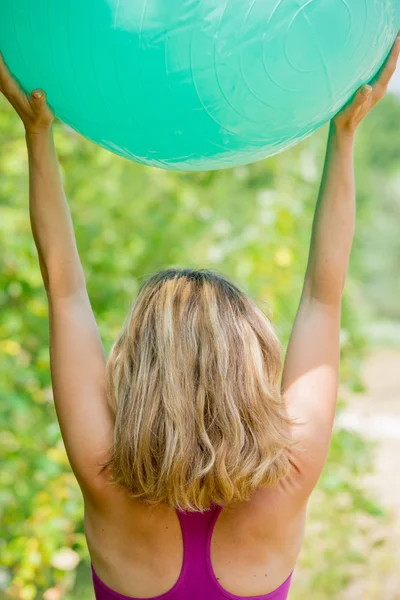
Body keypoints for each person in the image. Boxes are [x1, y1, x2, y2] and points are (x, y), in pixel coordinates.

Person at [0, 37, 399, 600]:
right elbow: (322, 297)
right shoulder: (287, 482)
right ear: (247, 367)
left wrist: (36, 134)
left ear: (141, 369)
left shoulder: (104, 477)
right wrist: (346, 134)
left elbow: (64, 290)